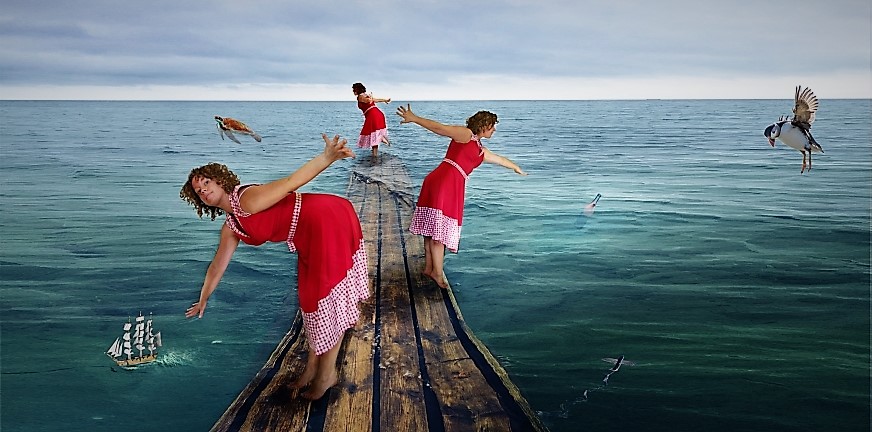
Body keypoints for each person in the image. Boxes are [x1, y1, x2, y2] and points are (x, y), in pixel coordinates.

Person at [180, 134, 368, 400]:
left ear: (220, 181)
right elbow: (217, 266)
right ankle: (312, 367)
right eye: (199, 191)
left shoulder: (246, 199)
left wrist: (327, 157)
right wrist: (203, 300)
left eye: (206, 183)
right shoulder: (232, 225)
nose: (204, 191)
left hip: (327, 220)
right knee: (309, 300)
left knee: (323, 297)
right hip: (308, 237)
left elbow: (291, 182)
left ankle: (327, 375)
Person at [396, 104, 527, 288]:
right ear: (483, 126)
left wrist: (516, 167)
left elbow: (500, 159)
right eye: (492, 126)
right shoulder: (466, 135)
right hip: (445, 183)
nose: (494, 129)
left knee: (432, 229)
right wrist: (415, 118)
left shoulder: (480, 149)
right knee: (438, 232)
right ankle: (437, 274)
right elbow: (440, 128)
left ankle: (429, 268)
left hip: (447, 184)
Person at [352, 82, 391, 159]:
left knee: (372, 134)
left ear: (357, 90)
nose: (353, 91)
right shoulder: (366, 95)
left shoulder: (361, 96)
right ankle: (375, 153)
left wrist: (370, 98)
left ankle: (379, 142)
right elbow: (374, 100)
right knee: (373, 135)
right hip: (377, 115)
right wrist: (385, 100)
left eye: (354, 89)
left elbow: (368, 101)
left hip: (373, 116)